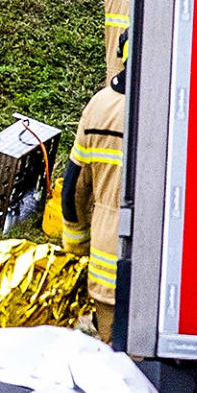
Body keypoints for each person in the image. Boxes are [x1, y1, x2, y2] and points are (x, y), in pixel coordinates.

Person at [59, 72, 128, 344]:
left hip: (107, 262)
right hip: (168, 278)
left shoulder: (100, 106)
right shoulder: (181, 105)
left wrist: (76, 244)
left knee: (115, 362)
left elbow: (73, 190)